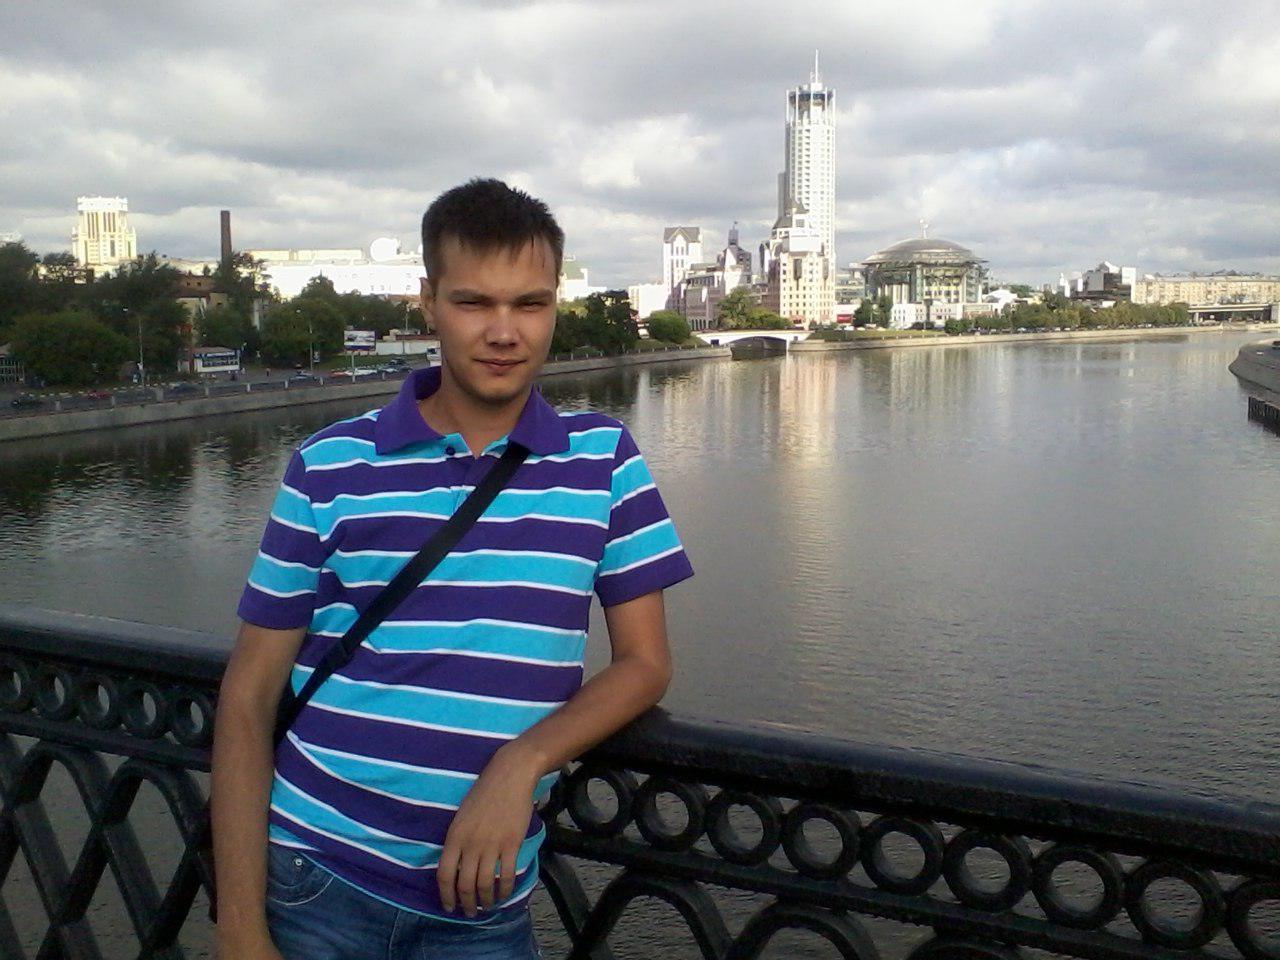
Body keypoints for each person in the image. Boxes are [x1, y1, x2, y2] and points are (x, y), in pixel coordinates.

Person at [211, 178, 693, 960]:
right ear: (428, 302)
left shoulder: (604, 460)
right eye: (474, 302)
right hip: (315, 875)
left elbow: (645, 664)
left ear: (555, 306)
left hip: (481, 903)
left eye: (530, 304)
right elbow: (248, 697)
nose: (504, 332)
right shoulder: (328, 465)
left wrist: (523, 761)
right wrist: (239, 926)